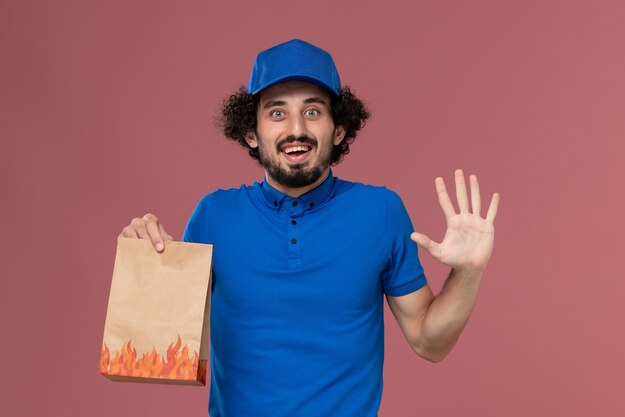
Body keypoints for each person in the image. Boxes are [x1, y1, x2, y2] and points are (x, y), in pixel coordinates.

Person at [119, 39, 500, 417]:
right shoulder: (212, 215)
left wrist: (467, 272)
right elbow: (166, 349)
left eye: (313, 111)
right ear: (251, 132)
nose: (296, 128)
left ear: (338, 130)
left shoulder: (380, 211)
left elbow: (430, 343)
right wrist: (146, 267)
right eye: (277, 113)